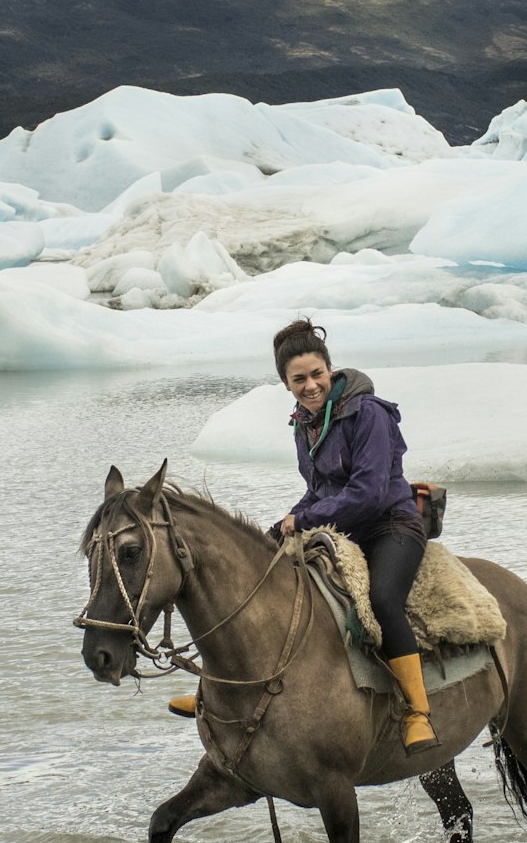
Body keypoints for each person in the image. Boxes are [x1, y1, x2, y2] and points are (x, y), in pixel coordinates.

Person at [169, 319, 439, 754]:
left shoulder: (368, 413)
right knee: (260, 587)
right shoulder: (304, 423)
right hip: (339, 525)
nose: (310, 385)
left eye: (317, 374)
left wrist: (308, 516)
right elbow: (319, 489)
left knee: (385, 599)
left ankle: (417, 711)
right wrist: (287, 521)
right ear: (286, 383)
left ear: (330, 369)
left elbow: (368, 491)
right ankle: (213, 690)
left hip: (390, 524)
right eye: (299, 379)